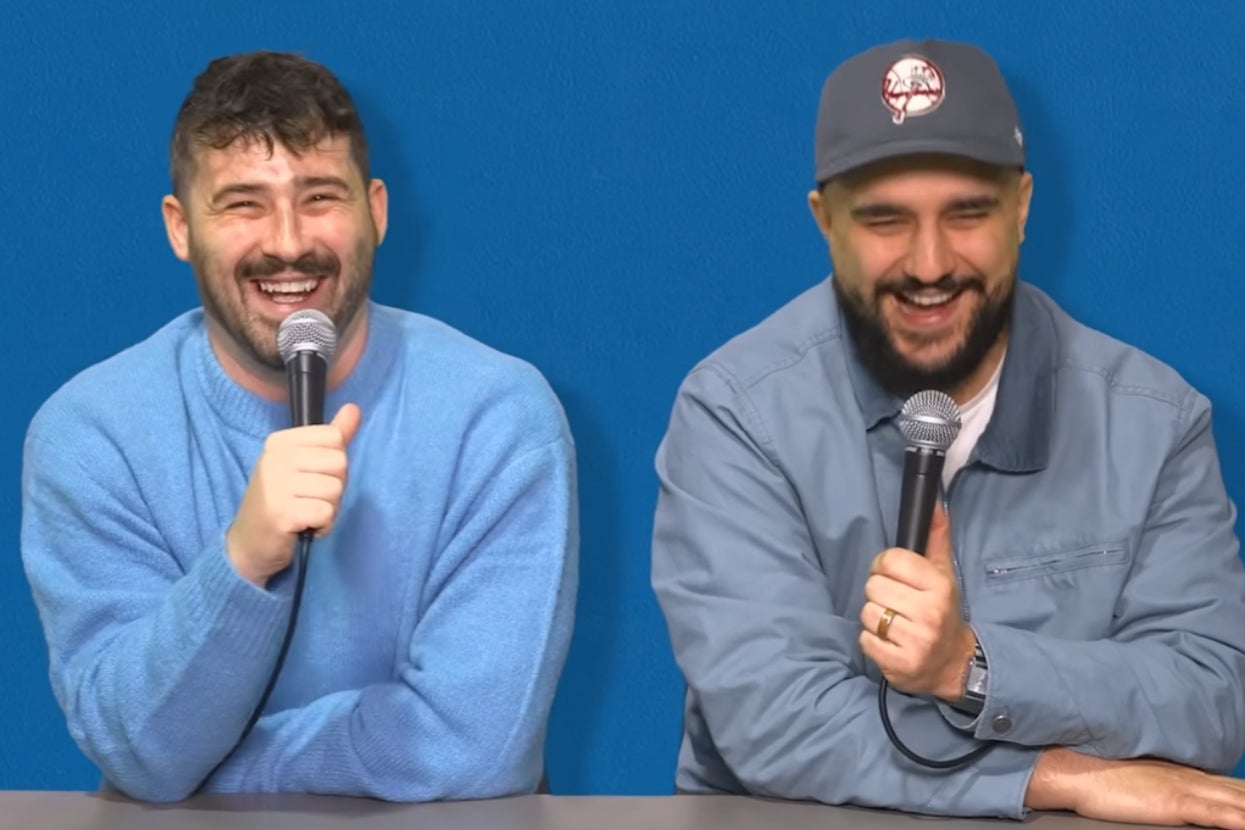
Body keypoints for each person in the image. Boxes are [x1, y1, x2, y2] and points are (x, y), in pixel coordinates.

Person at [651, 38, 1245, 824]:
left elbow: (1209, 694)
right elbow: (775, 721)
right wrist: (1053, 774)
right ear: (825, 222)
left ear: (1023, 209)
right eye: (885, 220)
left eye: (966, 214)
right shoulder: (736, 412)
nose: (928, 264)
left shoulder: (1153, 419)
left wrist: (970, 667)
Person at [20, 51, 577, 803]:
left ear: (376, 212)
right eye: (243, 204)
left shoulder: (497, 416)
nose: (286, 242)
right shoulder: (91, 436)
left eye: (319, 197)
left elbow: (476, 748)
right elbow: (137, 746)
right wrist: (243, 560)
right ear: (180, 228)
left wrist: (217, 769)